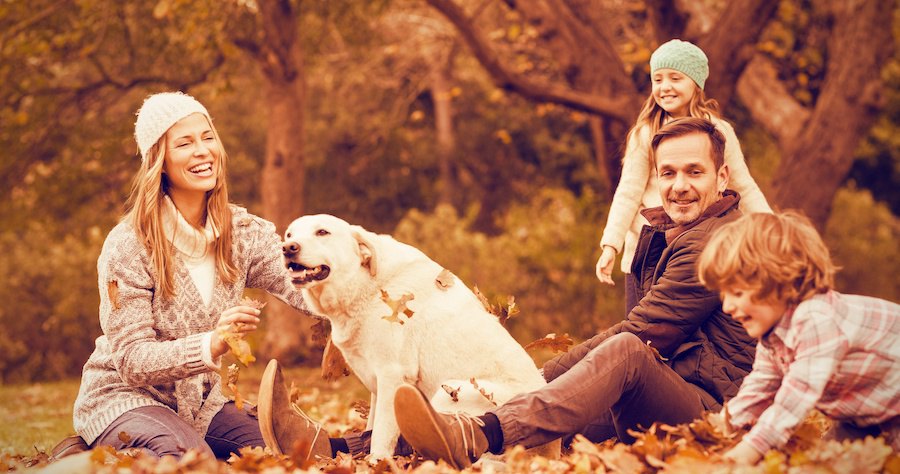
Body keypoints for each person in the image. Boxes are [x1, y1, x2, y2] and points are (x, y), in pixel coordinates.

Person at [376, 117, 757, 469]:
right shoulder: (674, 233)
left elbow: (642, 335)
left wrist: (535, 375)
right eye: (668, 173)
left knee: (623, 354)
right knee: (550, 411)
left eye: (695, 172)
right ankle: (350, 447)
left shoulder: (714, 242)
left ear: (722, 177)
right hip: (674, 393)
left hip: (713, 414)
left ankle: (479, 434)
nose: (679, 186)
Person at [65, 91, 311, 459]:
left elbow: (302, 286)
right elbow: (131, 360)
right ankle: (80, 459)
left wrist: (365, 291)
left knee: (300, 451)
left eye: (207, 137)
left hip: (200, 407)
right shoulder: (129, 245)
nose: (202, 151)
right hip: (123, 399)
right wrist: (211, 343)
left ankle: (407, 434)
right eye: (184, 143)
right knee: (191, 459)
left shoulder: (243, 232)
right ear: (159, 161)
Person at [697, 211, 900, 464]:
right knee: (825, 464)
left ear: (782, 283)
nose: (727, 307)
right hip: (864, 413)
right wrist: (724, 425)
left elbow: (795, 398)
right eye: (723, 295)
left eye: (737, 293)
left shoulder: (816, 319)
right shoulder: (774, 336)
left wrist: (748, 451)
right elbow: (760, 385)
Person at [595, 39, 770, 313]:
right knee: (643, 331)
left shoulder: (718, 131)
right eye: (658, 79)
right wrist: (611, 245)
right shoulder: (645, 134)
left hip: (700, 244)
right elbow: (628, 192)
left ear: (695, 83)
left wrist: (773, 230)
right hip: (649, 251)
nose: (665, 87)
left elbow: (743, 187)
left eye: (675, 78)